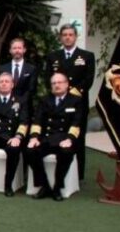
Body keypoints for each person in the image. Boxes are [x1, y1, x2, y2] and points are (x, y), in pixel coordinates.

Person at [44, 24, 95, 180]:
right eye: (64, 34)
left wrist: (70, 93)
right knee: (57, 134)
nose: (67, 37)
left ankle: (78, 174)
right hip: (57, 103)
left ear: (75, 37)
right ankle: (56, 172)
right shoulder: (53, 56)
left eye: (70, 34)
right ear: (60, 37)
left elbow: (88, 80)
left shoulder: (86, 56)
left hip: (78, 103)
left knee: (78, 138)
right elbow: (48, 79)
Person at [25, 72, 83, 201]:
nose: (57, 85)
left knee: (66, 153)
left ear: (67, 84)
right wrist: (34, 137)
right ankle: (44, 186)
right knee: (30, 151)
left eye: (59, 82)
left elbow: (77, 123)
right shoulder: (45, 100)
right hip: (47, 138)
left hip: (65, 138)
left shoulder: (76, 100)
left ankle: (57, 187)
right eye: (54, 83)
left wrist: (70, 139)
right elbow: (37, 121)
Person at [0, 38, 38, 113]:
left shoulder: (31, 69)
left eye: (19, 48)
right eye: (14, 48)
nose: (17, 51)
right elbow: (0, 88)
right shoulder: (2, 68)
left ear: (24, 50)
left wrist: (19, 102)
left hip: (25, 108)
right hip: (5, 106)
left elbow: (32, 89)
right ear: (10, 50)